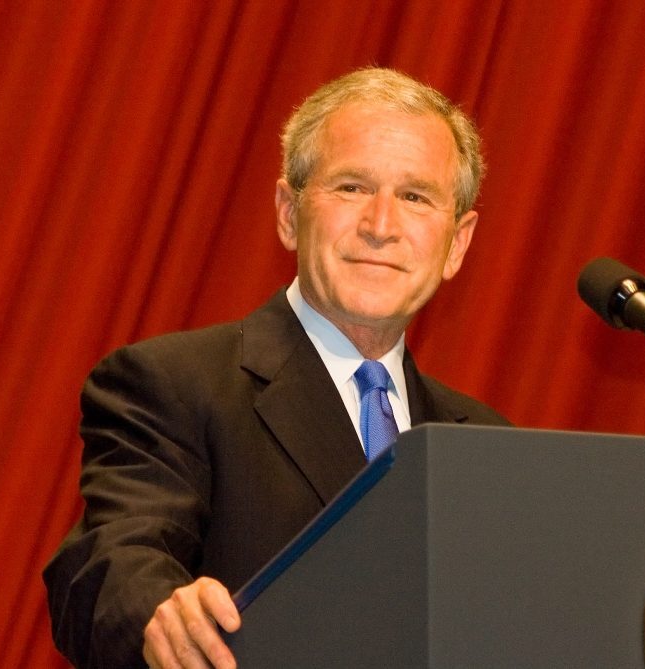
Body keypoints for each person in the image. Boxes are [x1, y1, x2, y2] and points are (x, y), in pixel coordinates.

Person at [44, 67, 509, 669]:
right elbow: (111, 560)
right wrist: (164, 613)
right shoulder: (174, 384)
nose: (381, 226)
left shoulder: (484, 441)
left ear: (457, 244)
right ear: (289, 213)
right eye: (351, 188)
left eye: (415, 197)